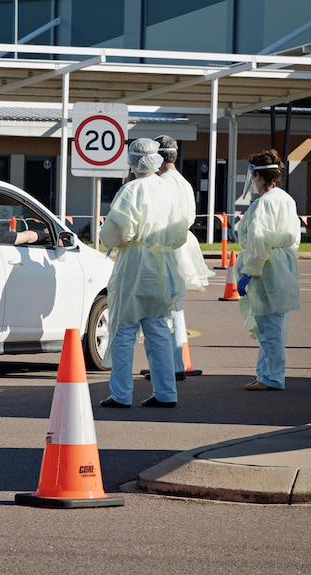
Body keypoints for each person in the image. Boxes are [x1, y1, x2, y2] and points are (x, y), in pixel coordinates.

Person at [98, 138, 189, 408]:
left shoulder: (131, 190)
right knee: (159, 329)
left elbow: (119, 233)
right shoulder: (170, 189)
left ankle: (121, 394)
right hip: (164, 264)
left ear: (133, 160)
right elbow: (181, 231)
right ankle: (166, 393)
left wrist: (111, 241)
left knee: (124, 331)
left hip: (135, 264)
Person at [235, 149, 300, 391]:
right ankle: (264, 374)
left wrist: (248, 272)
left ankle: (272, 378)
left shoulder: (264, 204)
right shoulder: (285, 198)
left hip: (267, 270)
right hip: (282, 267)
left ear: (257, 176)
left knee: (269, 329)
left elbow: (259, 242)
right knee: (274, 327)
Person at [154, 135, 214, 378]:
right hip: (183, 248)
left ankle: (166, 365)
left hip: (164, 249)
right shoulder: (184, 183)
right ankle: (176, 364)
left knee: (161, 311)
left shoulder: (159, 184)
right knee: (175, 307)